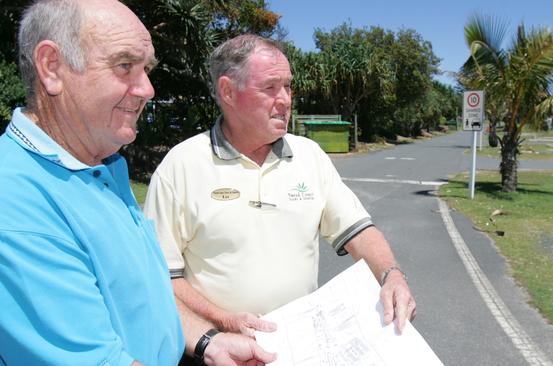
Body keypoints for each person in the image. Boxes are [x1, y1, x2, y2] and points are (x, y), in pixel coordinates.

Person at [0, 2, 275, 365]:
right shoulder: (17, 202)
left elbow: (142, 299)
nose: (147, 88)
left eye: (146, 69)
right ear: (52, 67)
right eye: (124, 65)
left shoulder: (100, 164)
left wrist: (209, 341)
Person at [143, 34, 417, 345]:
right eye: (270, 88)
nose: (285, 99)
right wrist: (223, 321)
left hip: (300, 346)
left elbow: (358, 231)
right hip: (216, 347)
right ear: (228, 91)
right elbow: (161, 276)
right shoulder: (180, 167)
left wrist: (391, 274)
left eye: (287, 86)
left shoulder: (310, 156)